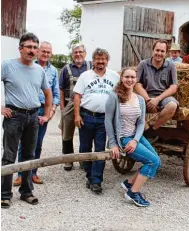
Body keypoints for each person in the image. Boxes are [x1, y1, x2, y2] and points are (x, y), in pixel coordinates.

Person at [1, 33, 52, 209]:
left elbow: (47, 92)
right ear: (20, 48)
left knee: (29, 156)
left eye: (34, 48)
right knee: (9, 157)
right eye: (28, 47)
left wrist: (45, 115)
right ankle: (5, 195)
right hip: (14, 116)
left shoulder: (39, 70)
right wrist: (0, 107)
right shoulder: (7, 65)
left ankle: (26, 192)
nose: (32, 51)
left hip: (33, 117)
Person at [105, 67, 161, 207]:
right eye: (127, 77)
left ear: (136, 80)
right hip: (123, 138)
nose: (129, 80)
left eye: (132, 77)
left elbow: (141, 122)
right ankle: (133, 193)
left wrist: (136, 140)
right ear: (121, 78)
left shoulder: (140, 99)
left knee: (156, 161)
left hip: (135, 137)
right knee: (152, 162)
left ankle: (129, 184)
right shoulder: (114, 97)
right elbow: (108, 121)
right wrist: (113, 144)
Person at [13, 42, 60, 186]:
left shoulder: (53, 71)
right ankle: (21, 174)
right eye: (43, 51)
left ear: (51, 54)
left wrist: (50, 113)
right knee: (24, 143)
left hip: (43, 111)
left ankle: (33, 173)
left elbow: (56, 94)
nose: (45, 54)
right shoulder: (29, 67)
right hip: (29, 109)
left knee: (38, 144)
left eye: (48, 52)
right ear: (38, 52)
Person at [73, 48, 119, 193]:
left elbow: (121, 93)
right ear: (93, 60)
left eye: (103, 59)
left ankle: (96, 181)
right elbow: (77, 96)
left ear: (107, 61)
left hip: (104, 119)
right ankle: (89, 175)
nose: (100, 62)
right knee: (85, 148)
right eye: (98, 59)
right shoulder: (85, 76)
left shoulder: (114, 76)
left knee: (100, 149)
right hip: (86, 116)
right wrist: (77, 115)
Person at [59, 43, 92, 171]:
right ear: (72, 54)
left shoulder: (91, 66)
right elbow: (61, 89)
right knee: (67, 134)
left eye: (80, 52)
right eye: (75, 52)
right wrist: (62, 108)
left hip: (86, 105)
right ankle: (68, 160)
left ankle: (83, 160)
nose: (78, 54)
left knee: (85, 135)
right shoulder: (66, 69)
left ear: (85, 53)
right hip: (69, 104)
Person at [135, 39, 178, 130]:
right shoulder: (143, 64)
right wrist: (147, 100)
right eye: (157, 50)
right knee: (130, 105)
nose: (159, 53)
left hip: (163, 97)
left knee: (172, 105)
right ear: (153, 50)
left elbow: (174, 87)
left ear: (166, 53)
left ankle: (154, 128)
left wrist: (158, 99)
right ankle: (144, 127)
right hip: (145, 96)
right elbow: (137, 84)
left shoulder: (171, 66)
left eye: (162, 51)